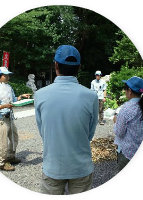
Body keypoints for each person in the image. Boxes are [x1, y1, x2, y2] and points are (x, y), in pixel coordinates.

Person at [34, 45, 99, 195]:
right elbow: (89, 132)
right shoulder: (91, 96)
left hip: (53, 166)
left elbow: (42, 130)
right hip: (81, 167)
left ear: (55, 64)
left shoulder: (40, 95)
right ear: (79, 67)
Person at [0, 66, 31, 171]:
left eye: (8, 75)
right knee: (3, 142)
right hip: (1, 119)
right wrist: (4, 106)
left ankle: (11, 157)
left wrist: (21, 96)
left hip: (10, 117)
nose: (7, 77)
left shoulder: (8, 87)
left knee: (14, 138)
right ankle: (2, 163)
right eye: (5, 75)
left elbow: (13, 99)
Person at [113, 76, 143, 173]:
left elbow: (119, 132)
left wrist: (115, 122)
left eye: (125, 89)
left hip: (128, 153)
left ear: (129, 91)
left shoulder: (126, 109)